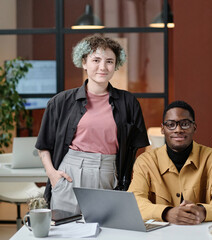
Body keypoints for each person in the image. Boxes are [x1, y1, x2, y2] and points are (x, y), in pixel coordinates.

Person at [35, 35, 149, 213]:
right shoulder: (61, 102)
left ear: (116, 65)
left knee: (107, 233)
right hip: (69, 175)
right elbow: (43, 146)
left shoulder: (129, 102)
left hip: (109, 174)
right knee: (67, 234)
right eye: (96, 60)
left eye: (109, 61)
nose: (103, 67)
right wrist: (52, 175)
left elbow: (136, 148)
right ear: (84, 62)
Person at [128, 100, 212, 225]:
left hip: (200, 231)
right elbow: (134, 202)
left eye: (185, 124)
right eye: (171, 124)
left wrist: (202, 211)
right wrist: (166, 213)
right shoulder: (145, 161)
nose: (178, 130)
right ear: (163, 129)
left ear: (194, 127)